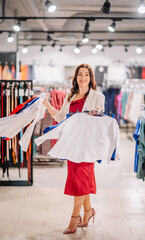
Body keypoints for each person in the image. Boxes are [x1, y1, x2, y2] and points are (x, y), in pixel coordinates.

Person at [43, 63, 105, 234]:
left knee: (80, 180)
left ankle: (74, 218)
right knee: (79, 180)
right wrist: (46, 104)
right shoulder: (70, 97)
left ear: (91, 78)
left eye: (86, 74)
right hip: (73, 144)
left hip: (87, 146)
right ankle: (88, 212)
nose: (83, 78)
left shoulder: (98, 97)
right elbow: (60, 117)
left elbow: (100, 123)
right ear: (75, 77)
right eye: (80, 74)